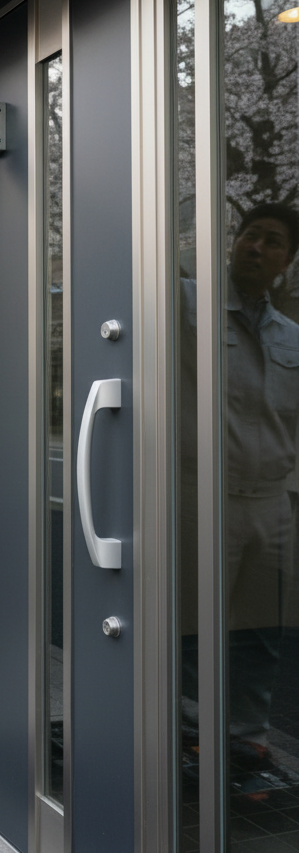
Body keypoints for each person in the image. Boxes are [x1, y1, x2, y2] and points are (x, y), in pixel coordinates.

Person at [179, 202, 299, 792]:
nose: (257, 248)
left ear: (286, 261)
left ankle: (247, 738)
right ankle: (190, 733)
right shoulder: (189, 304)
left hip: (273, 503)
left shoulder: (292, 338)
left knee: (260, 629)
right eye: (251, 236)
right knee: (198, 624)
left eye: (273, 242)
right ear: (232, 242)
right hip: (208, 495)